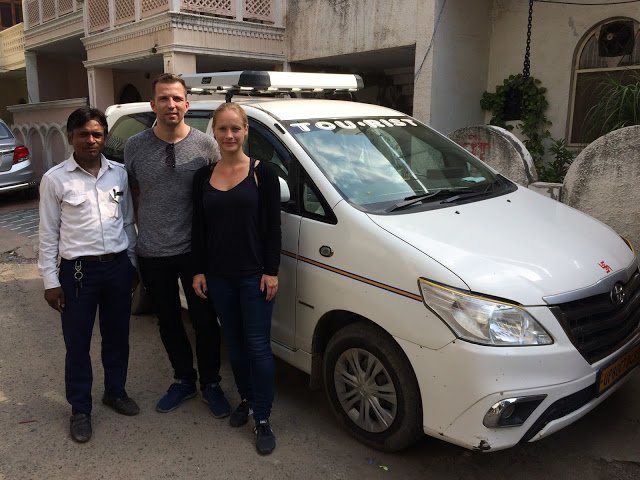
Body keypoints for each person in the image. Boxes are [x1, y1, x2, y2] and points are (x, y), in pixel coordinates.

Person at [124, 73, 230, 417]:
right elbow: (133, 194)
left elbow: (218, 193)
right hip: (153, 252)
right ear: (153, 104)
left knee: (204, 321)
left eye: (176, 99)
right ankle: (184, 378)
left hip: (194, 252)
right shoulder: (135, 146)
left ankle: (211, 383)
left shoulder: (205, 145)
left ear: (187, 104)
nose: (171, 105)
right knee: (168, 322)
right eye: (163, 99)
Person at [38, 107, 139, 443]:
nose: (91, 140)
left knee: (117, 337)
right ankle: (80, 409)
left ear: (105, 137)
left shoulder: (119, 174)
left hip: (117, 268)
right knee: (78, 344)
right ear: (71, 137)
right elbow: (48, 233)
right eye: (84, 134)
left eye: (97, 134)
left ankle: (115, 391)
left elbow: (126, 220)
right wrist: (51, 281)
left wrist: (132, 262)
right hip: (77, 272)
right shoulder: (55, 179)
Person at [192, 102, 281, 455]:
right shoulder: (203, 176)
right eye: (222, 129)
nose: (229, 135)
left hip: (253, 277)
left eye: (236, 129)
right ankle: (245, 397)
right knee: (235, 343)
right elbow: (198, 228)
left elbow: (273, 228)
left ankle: (262, 416)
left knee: (258, 346)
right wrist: (199, 269)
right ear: (213, 132)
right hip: (218, 277)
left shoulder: (263, 173)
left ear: (246, 132)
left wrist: (271, 272)